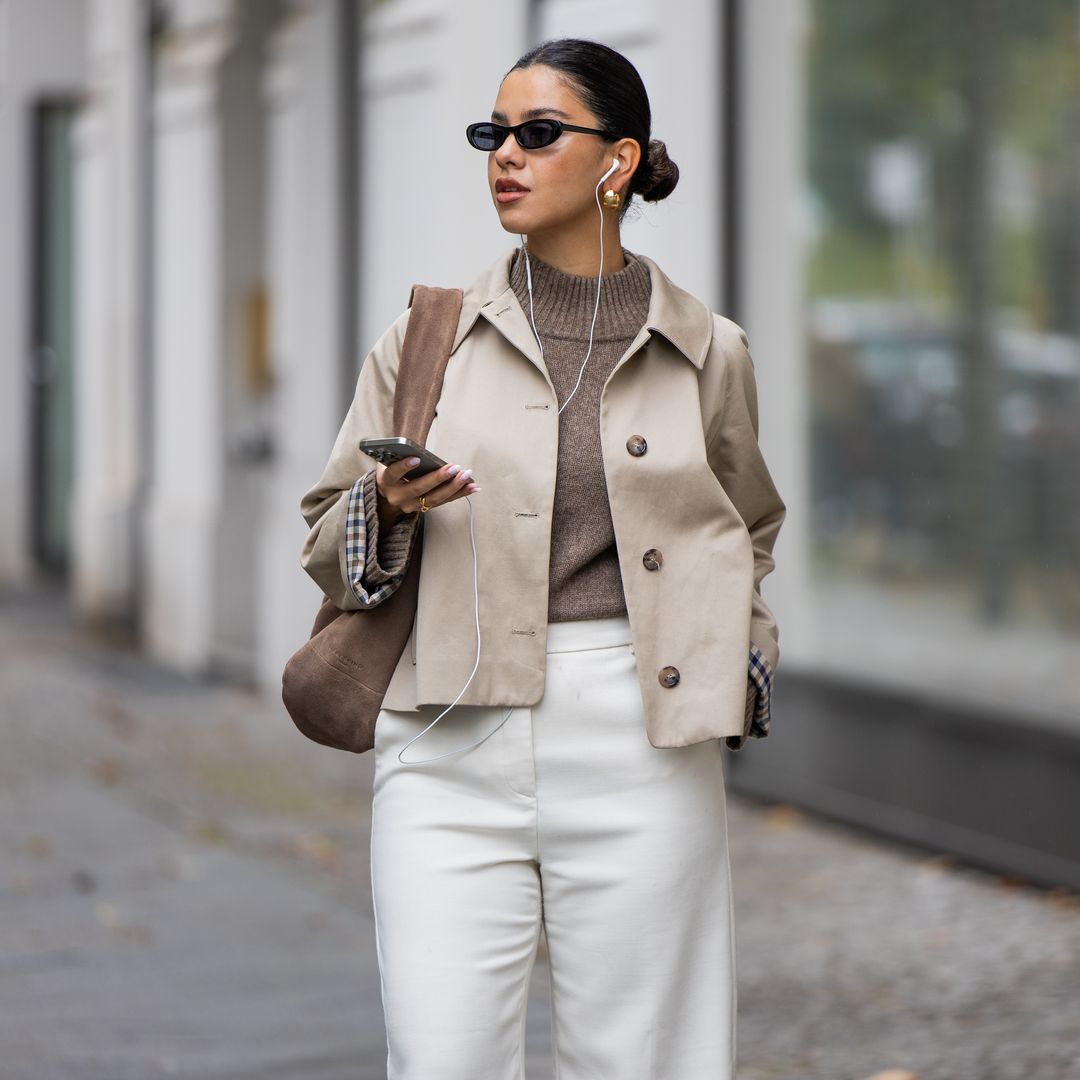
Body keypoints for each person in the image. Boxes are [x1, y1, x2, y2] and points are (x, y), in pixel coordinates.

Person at [299, 37, 785, 1080]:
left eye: (537, 133)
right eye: (492, 134)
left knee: (647, 1060)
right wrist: (383, 504)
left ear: (617, 162)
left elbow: (747, 524)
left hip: (640, 742)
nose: (504, 157)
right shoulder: (425, 337)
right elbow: (321, 536)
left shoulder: (709, 349)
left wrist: (738, 662)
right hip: (444, 740)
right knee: (440, 1059)